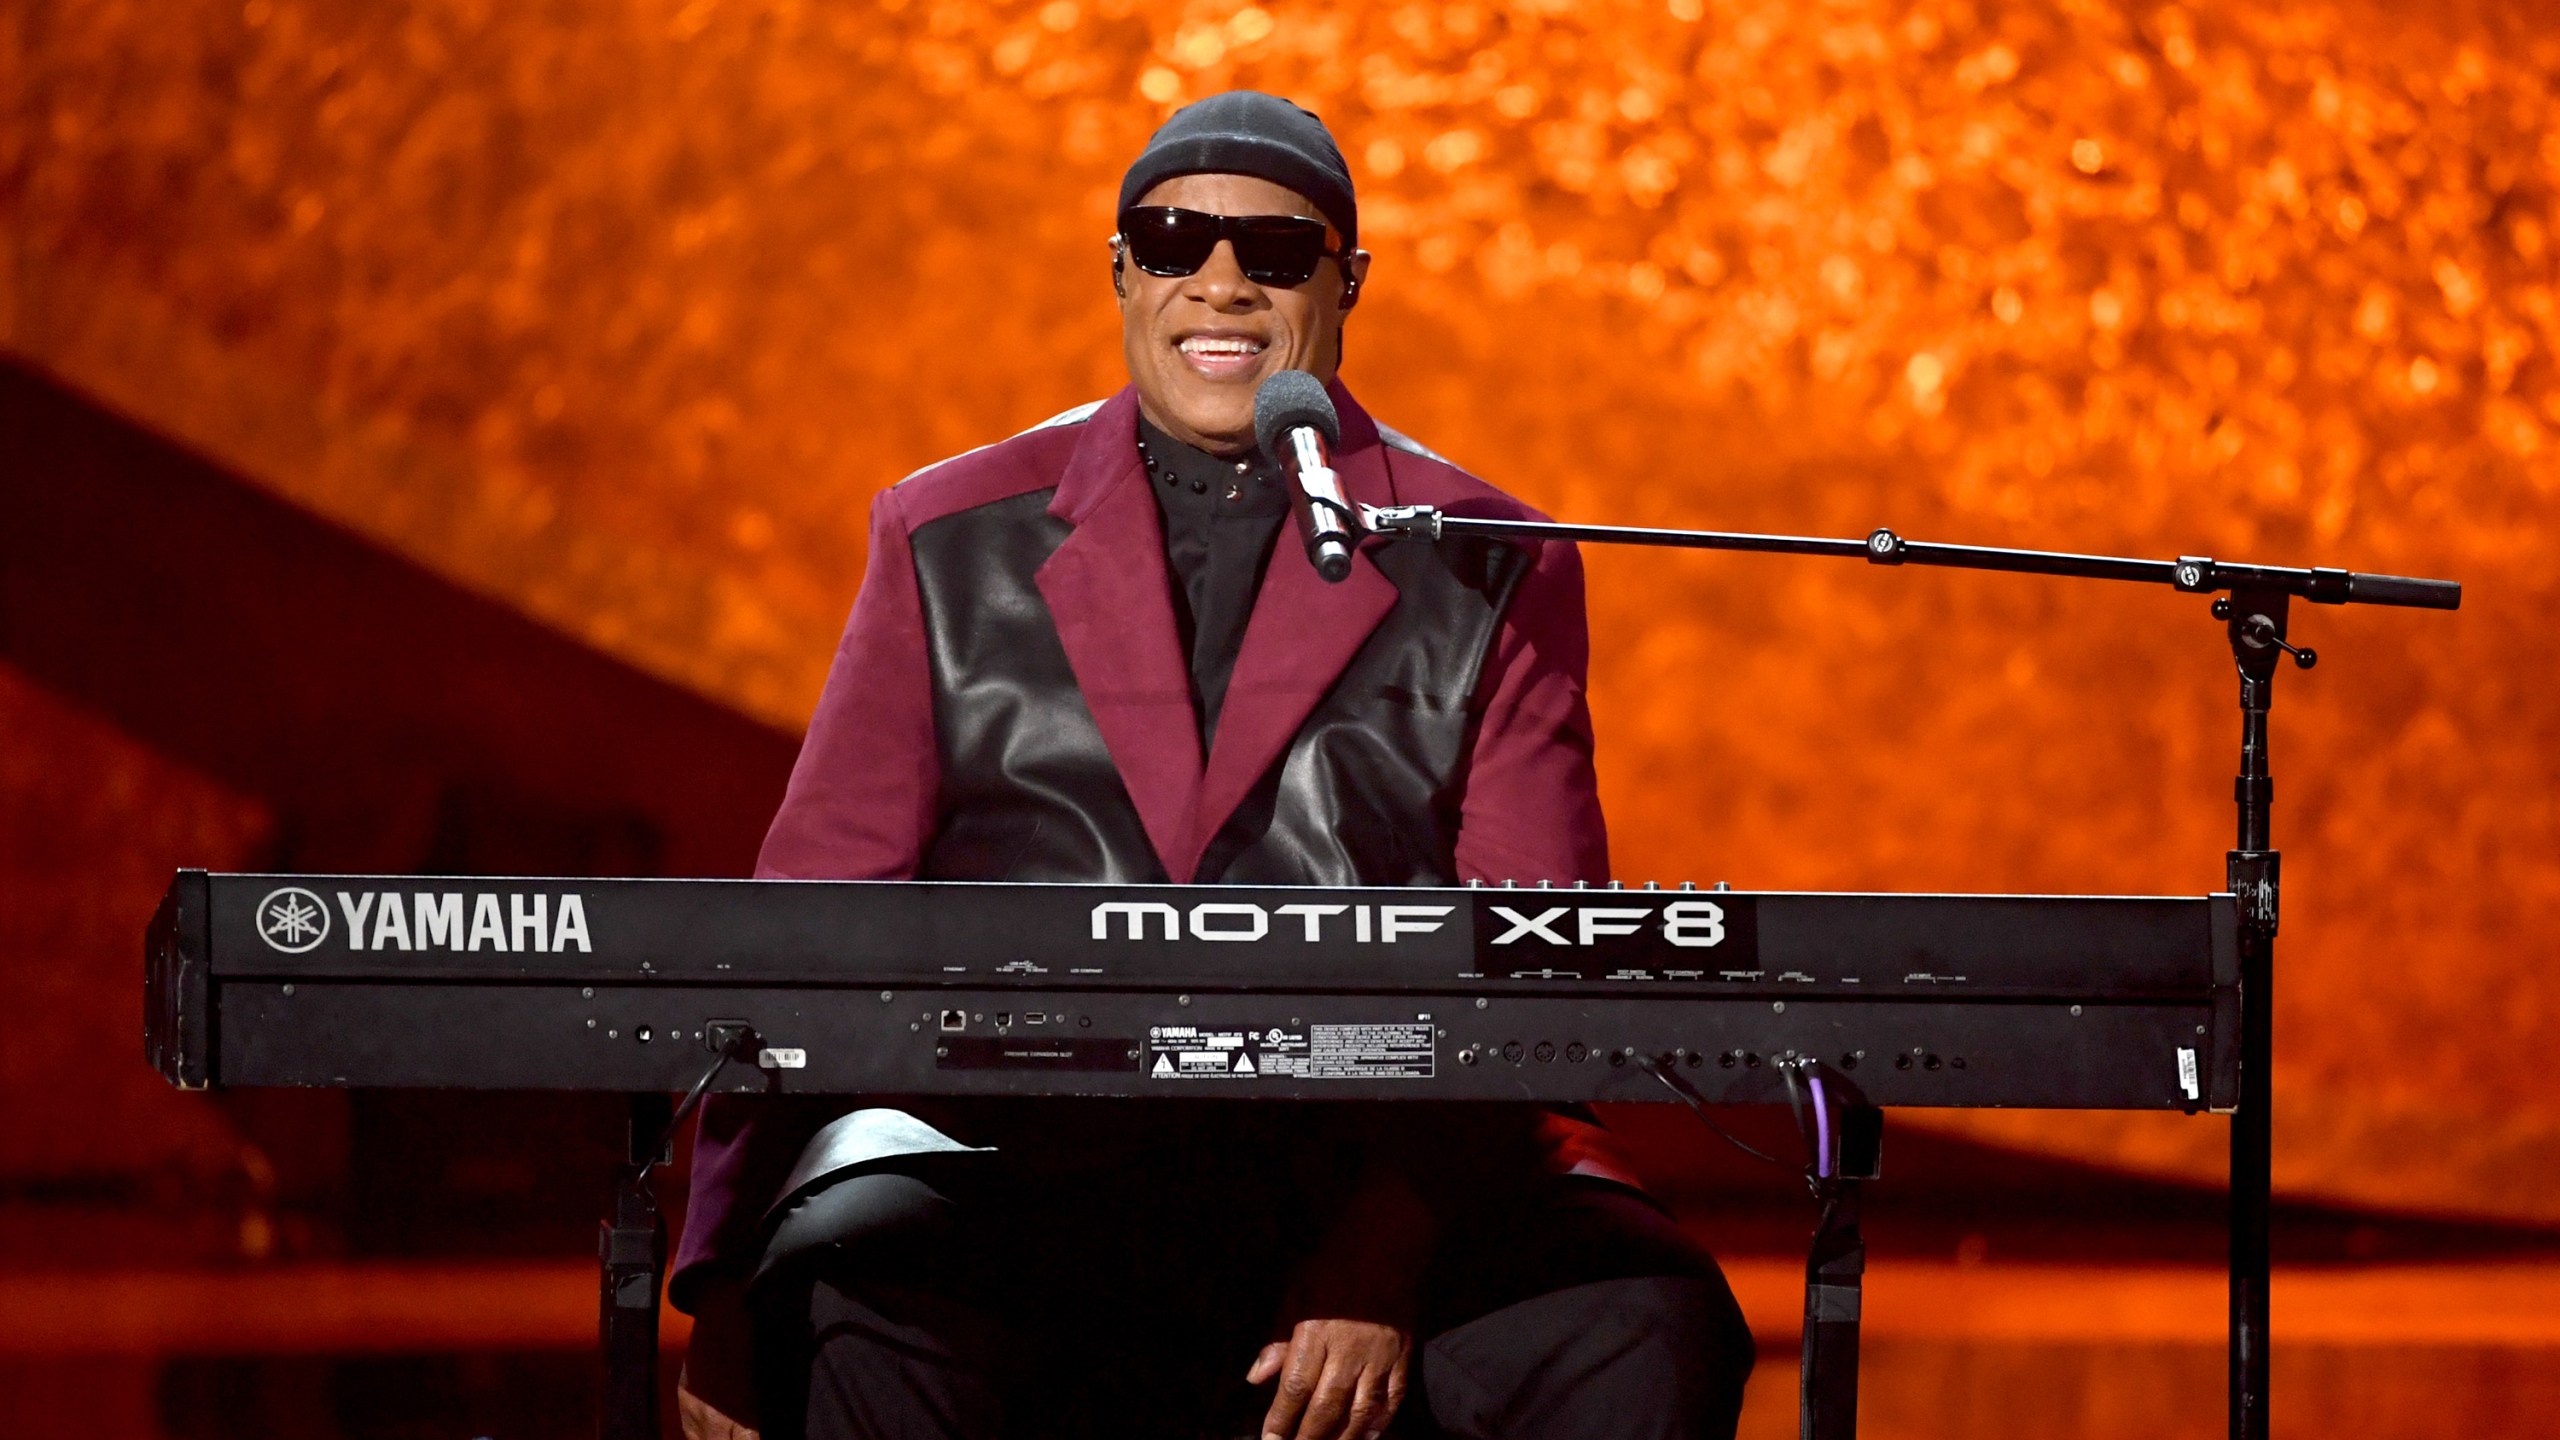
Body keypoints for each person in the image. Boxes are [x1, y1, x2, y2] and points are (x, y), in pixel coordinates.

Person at [673, 91, 1755, 1440]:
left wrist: (1382, 1252)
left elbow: (1528, 959)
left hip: (1370, 1163)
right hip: (1019, 1165)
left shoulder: (1490, 555)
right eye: (1175, 241)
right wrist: (721, 1286)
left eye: (1275, 254)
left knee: (1638, 1322)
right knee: (851, 1289)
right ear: (1123, 273)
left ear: (1345, 287)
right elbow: (808, 933)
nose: (1221, 283)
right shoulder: (946, 534)